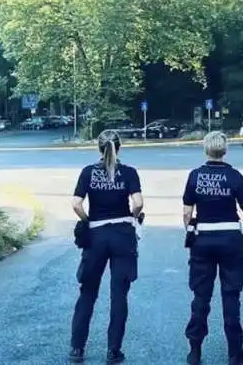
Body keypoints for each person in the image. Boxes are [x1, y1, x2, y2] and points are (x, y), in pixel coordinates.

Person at [182, 131, 243, 365]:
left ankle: (195, 351)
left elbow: (187, 213)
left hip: (203, 240)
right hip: (230, 241)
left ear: (206, 150)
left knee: (201, 297)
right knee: (231, 296)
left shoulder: (195, 176)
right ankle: (235, 353)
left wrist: (191, 230)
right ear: (225, 150)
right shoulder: (235, 177)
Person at [69, 130, 144, 364]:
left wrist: (87, 220)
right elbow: (139, 203)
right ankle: (113, 351)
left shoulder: (88, 172)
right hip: (122, 235)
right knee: (119, 295)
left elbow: (76, 203)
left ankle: (77, 348)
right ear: (119, 147)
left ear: (99, 148)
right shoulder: (129, 172)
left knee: (88, 292)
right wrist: (132, 217)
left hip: (96, 235)